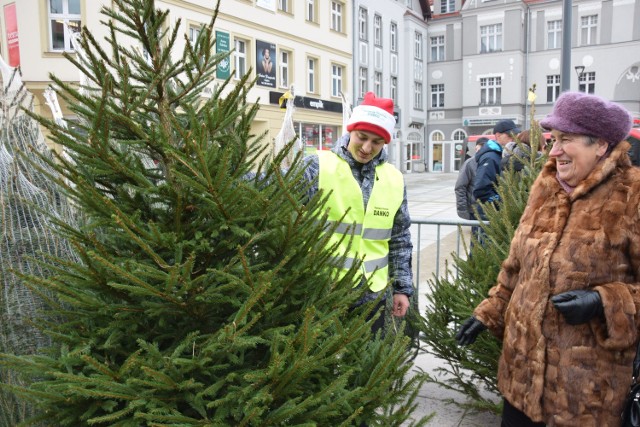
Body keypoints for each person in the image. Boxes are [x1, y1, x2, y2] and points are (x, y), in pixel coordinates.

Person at [455, 91, 640, 426]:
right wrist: (489, 311)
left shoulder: (632, 195)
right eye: (553, 139)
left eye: (565, 140)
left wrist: (604, 301)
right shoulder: (546, 185)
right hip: (519, 379)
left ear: (600, 145)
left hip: (583, 397)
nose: (553, 151)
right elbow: (516, 266)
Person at [301, 92, 413, 334]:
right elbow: (272, 192)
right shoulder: (317, 166)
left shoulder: (394, 178)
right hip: (324, 293)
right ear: (350, 131)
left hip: (374, 297)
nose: (366, 147)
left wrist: (402, 288)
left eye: (376, 142)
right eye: (361, 137)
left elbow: (400, 239)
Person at [455, 137, 488, 220]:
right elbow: (460, 187)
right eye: (481, 147)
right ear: (476, 148)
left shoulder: (492, 161)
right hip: (475, 211)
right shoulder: (470, 163)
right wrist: (463, 211)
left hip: (490, 210)